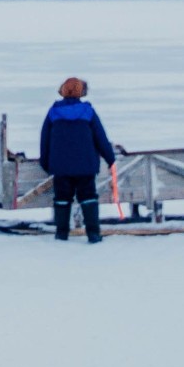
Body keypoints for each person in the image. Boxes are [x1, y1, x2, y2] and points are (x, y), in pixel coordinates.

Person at [40, 77, 115, 243]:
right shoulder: (88, 112)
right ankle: (93, 234)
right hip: (85, 166)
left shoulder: (53, 112)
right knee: (88, 198)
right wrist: (110, 158)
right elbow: (100, 138)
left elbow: (44, 140)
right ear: (81, 92)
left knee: (62, 199)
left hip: (61, 167)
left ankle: (61, 234)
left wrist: (45, 163)